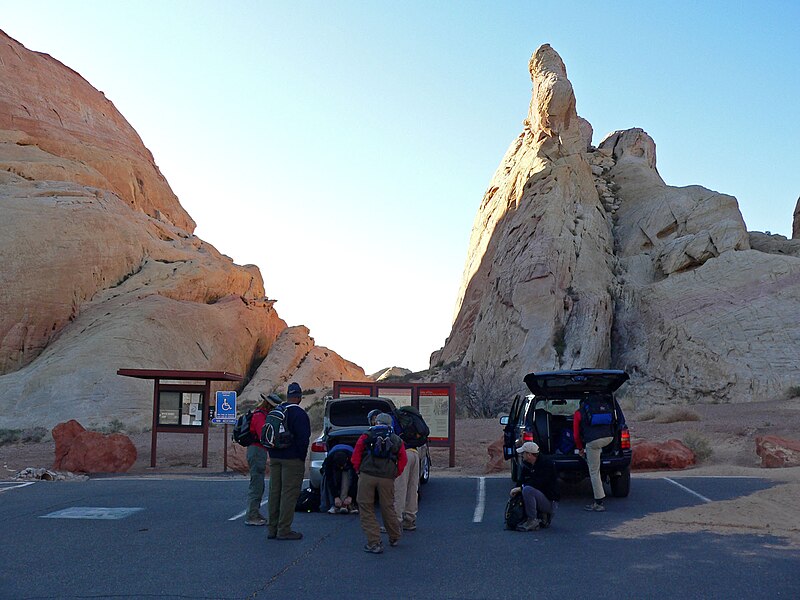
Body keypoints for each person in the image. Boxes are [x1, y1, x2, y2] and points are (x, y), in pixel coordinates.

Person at [352, 413, 407, 554]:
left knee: (366, 507)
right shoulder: (396, 439)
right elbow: (403, 459)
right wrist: (395, 473)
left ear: (376, 422)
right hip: (387, 477)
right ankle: (394, 536)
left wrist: (358, 470)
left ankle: (374, 542)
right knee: (387, 506)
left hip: (367, 474)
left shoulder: (366, 435)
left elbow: (356, 454)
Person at [266, 382, 311, 540]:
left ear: (287, 395)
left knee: (274, 493)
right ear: (299, 397)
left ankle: (272, 529)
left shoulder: (278, 411)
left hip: (275, 457)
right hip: (292, 459)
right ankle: (284, 529)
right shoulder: (299, 414)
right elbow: (303, 439)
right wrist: (301, 457)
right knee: (288, 494)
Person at [573, 393, 621, 512]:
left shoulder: (578, 413)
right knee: (598, 448)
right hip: (609, 438)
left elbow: (576, 435)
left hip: (593, 442)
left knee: (594, 471)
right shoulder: (605, 408)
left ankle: (598, 502)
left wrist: (580, 449)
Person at [244, 393, 280, 526]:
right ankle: (252, 515)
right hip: (257, 451)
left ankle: (254, 512)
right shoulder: (260, 416)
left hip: (257, 451)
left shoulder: (259, 414)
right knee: (257, 484)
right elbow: (263, 436)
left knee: (258, 482)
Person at [510, 441, 559, 531]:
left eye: (523, 453)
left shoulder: (546, 464)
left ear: (529, 454)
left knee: (527, 490)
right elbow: (521, 480)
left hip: (550, 501)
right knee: (525, 489)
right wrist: (517, 489)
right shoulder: (528, 464)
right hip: (541, 496)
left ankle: (533, 520)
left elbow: (539, 482)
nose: (522, 455)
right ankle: (537, 516)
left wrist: (520, 488)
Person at [392, 409, 429, 531]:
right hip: (415, 453)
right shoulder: (408, 419)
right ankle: (410, 519)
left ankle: (395, 522)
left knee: (400, 488)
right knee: (413, 488)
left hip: (404, 454)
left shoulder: (392, 419)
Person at [320, 443, 358, 514]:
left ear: (347, 459)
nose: (341, 468)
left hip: (349, 466)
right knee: (329, 477)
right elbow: (329, 479)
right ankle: (335, 504)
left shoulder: (353, 458)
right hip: (333, 466)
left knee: (346, 475)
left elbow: (355, 480)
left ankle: (348, 503)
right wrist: (335, 497)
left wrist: (350, 496)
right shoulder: (329, 460)